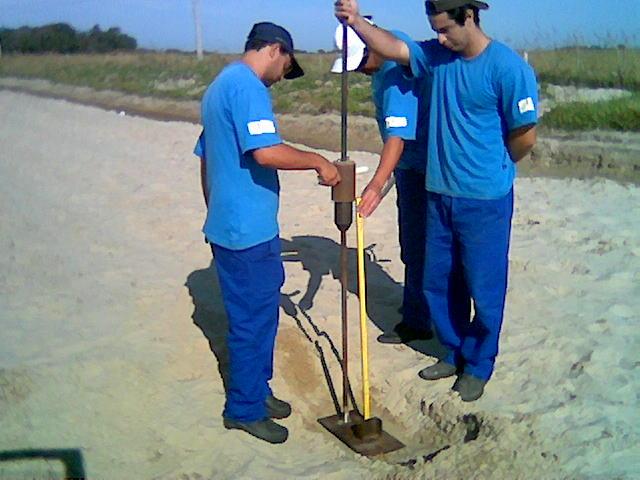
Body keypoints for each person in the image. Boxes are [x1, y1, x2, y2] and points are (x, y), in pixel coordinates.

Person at [335, 0, 538, 401]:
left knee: (484, 284)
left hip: (484, 198)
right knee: (439, 280)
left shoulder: (507, 67)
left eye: (446, 29)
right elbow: (394, 47)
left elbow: (525, 134)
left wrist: (495, 165)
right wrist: (355, 21)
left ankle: (478, 365)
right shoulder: (436, 57)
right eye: (436, 30)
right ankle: (452, 350)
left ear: (469, 16)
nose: (440, 37)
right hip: (438, 192)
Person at [194, 21, 340, 443]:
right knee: (252, 321)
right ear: (276, 50)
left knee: (259, 314)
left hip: (234, 224)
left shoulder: (221, 85)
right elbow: (266, 151)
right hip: (247, 232)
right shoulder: (248, 88)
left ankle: (257, 391)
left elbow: (206, 159)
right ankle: (243, 408)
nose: (281, 80)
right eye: (286, 68)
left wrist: (216, 209)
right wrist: (317, 160)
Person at [330, 22, 433, 344]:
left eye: (361, 63)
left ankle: (423, 322)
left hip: (425, 169)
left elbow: (397, 138)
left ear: (374, 47)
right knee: (415, 247)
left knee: (422, 248)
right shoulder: (392, 50)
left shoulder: (393, 74)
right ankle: (418, 315)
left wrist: (375, 184)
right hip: (411, 166)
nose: (360, 71)